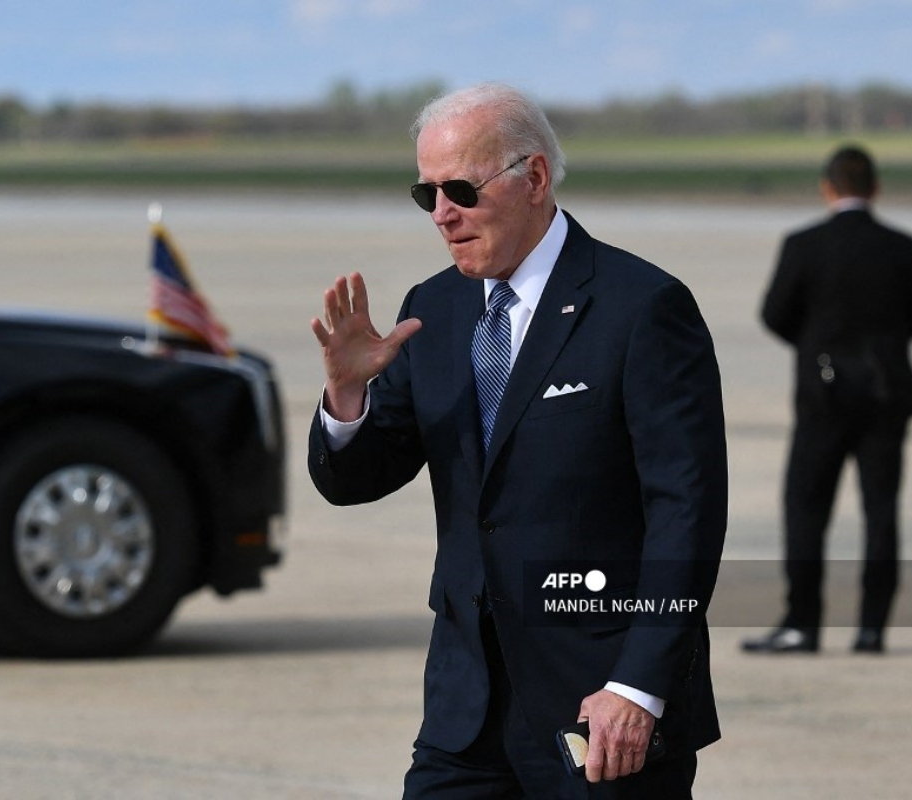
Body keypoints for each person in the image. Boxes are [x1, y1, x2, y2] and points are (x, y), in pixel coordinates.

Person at [308, 83, 728, 798]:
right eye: (426, 194)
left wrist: (639, 685)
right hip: (464, 710)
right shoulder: (430, 310)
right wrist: (347, 397)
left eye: (461, 190)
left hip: (601, 711)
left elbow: (685, 513)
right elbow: (357, 480)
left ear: (533, 178)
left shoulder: (642, 308)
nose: (442, 215)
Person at [743, 145, 912, 656]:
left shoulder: (805, 243)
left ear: (828, 188)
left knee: (805, 509)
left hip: (821, 397)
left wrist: (816, 343)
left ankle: (803, 624)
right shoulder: (903, 246)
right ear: (875, 189)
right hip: (885, 394)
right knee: (881, 511)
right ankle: (872, 629)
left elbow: (774, 313)